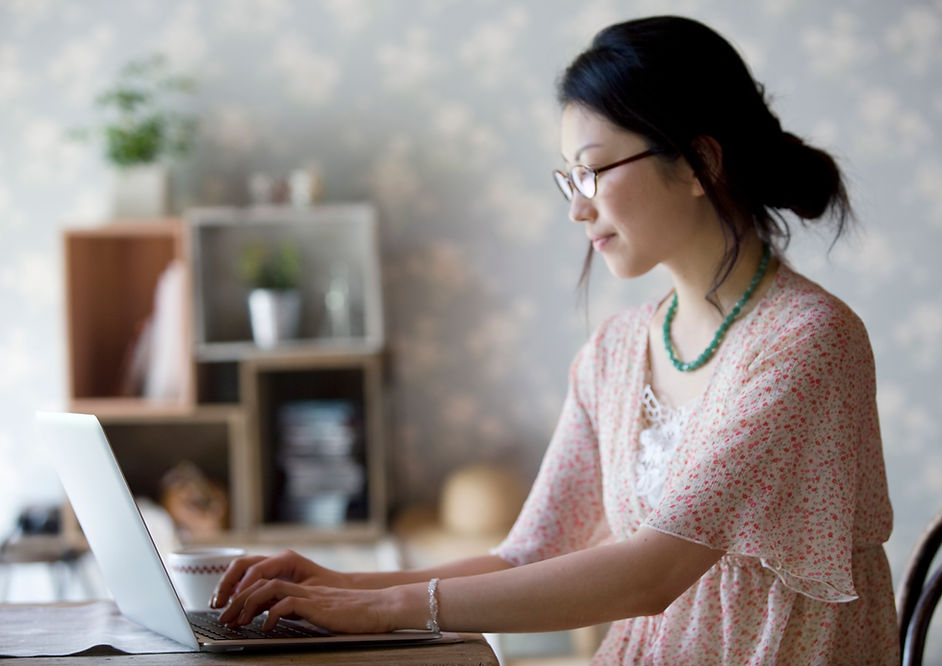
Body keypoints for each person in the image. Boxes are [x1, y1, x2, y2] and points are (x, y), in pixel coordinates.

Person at [211, 16, 899, 664]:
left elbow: (652, 573)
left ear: (697, 163)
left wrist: (387, 606)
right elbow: (530, 553)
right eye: (569, 177)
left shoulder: (807, 340)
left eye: (595, 171)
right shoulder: (616, 350)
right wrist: (341, 586)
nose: (577, 206)